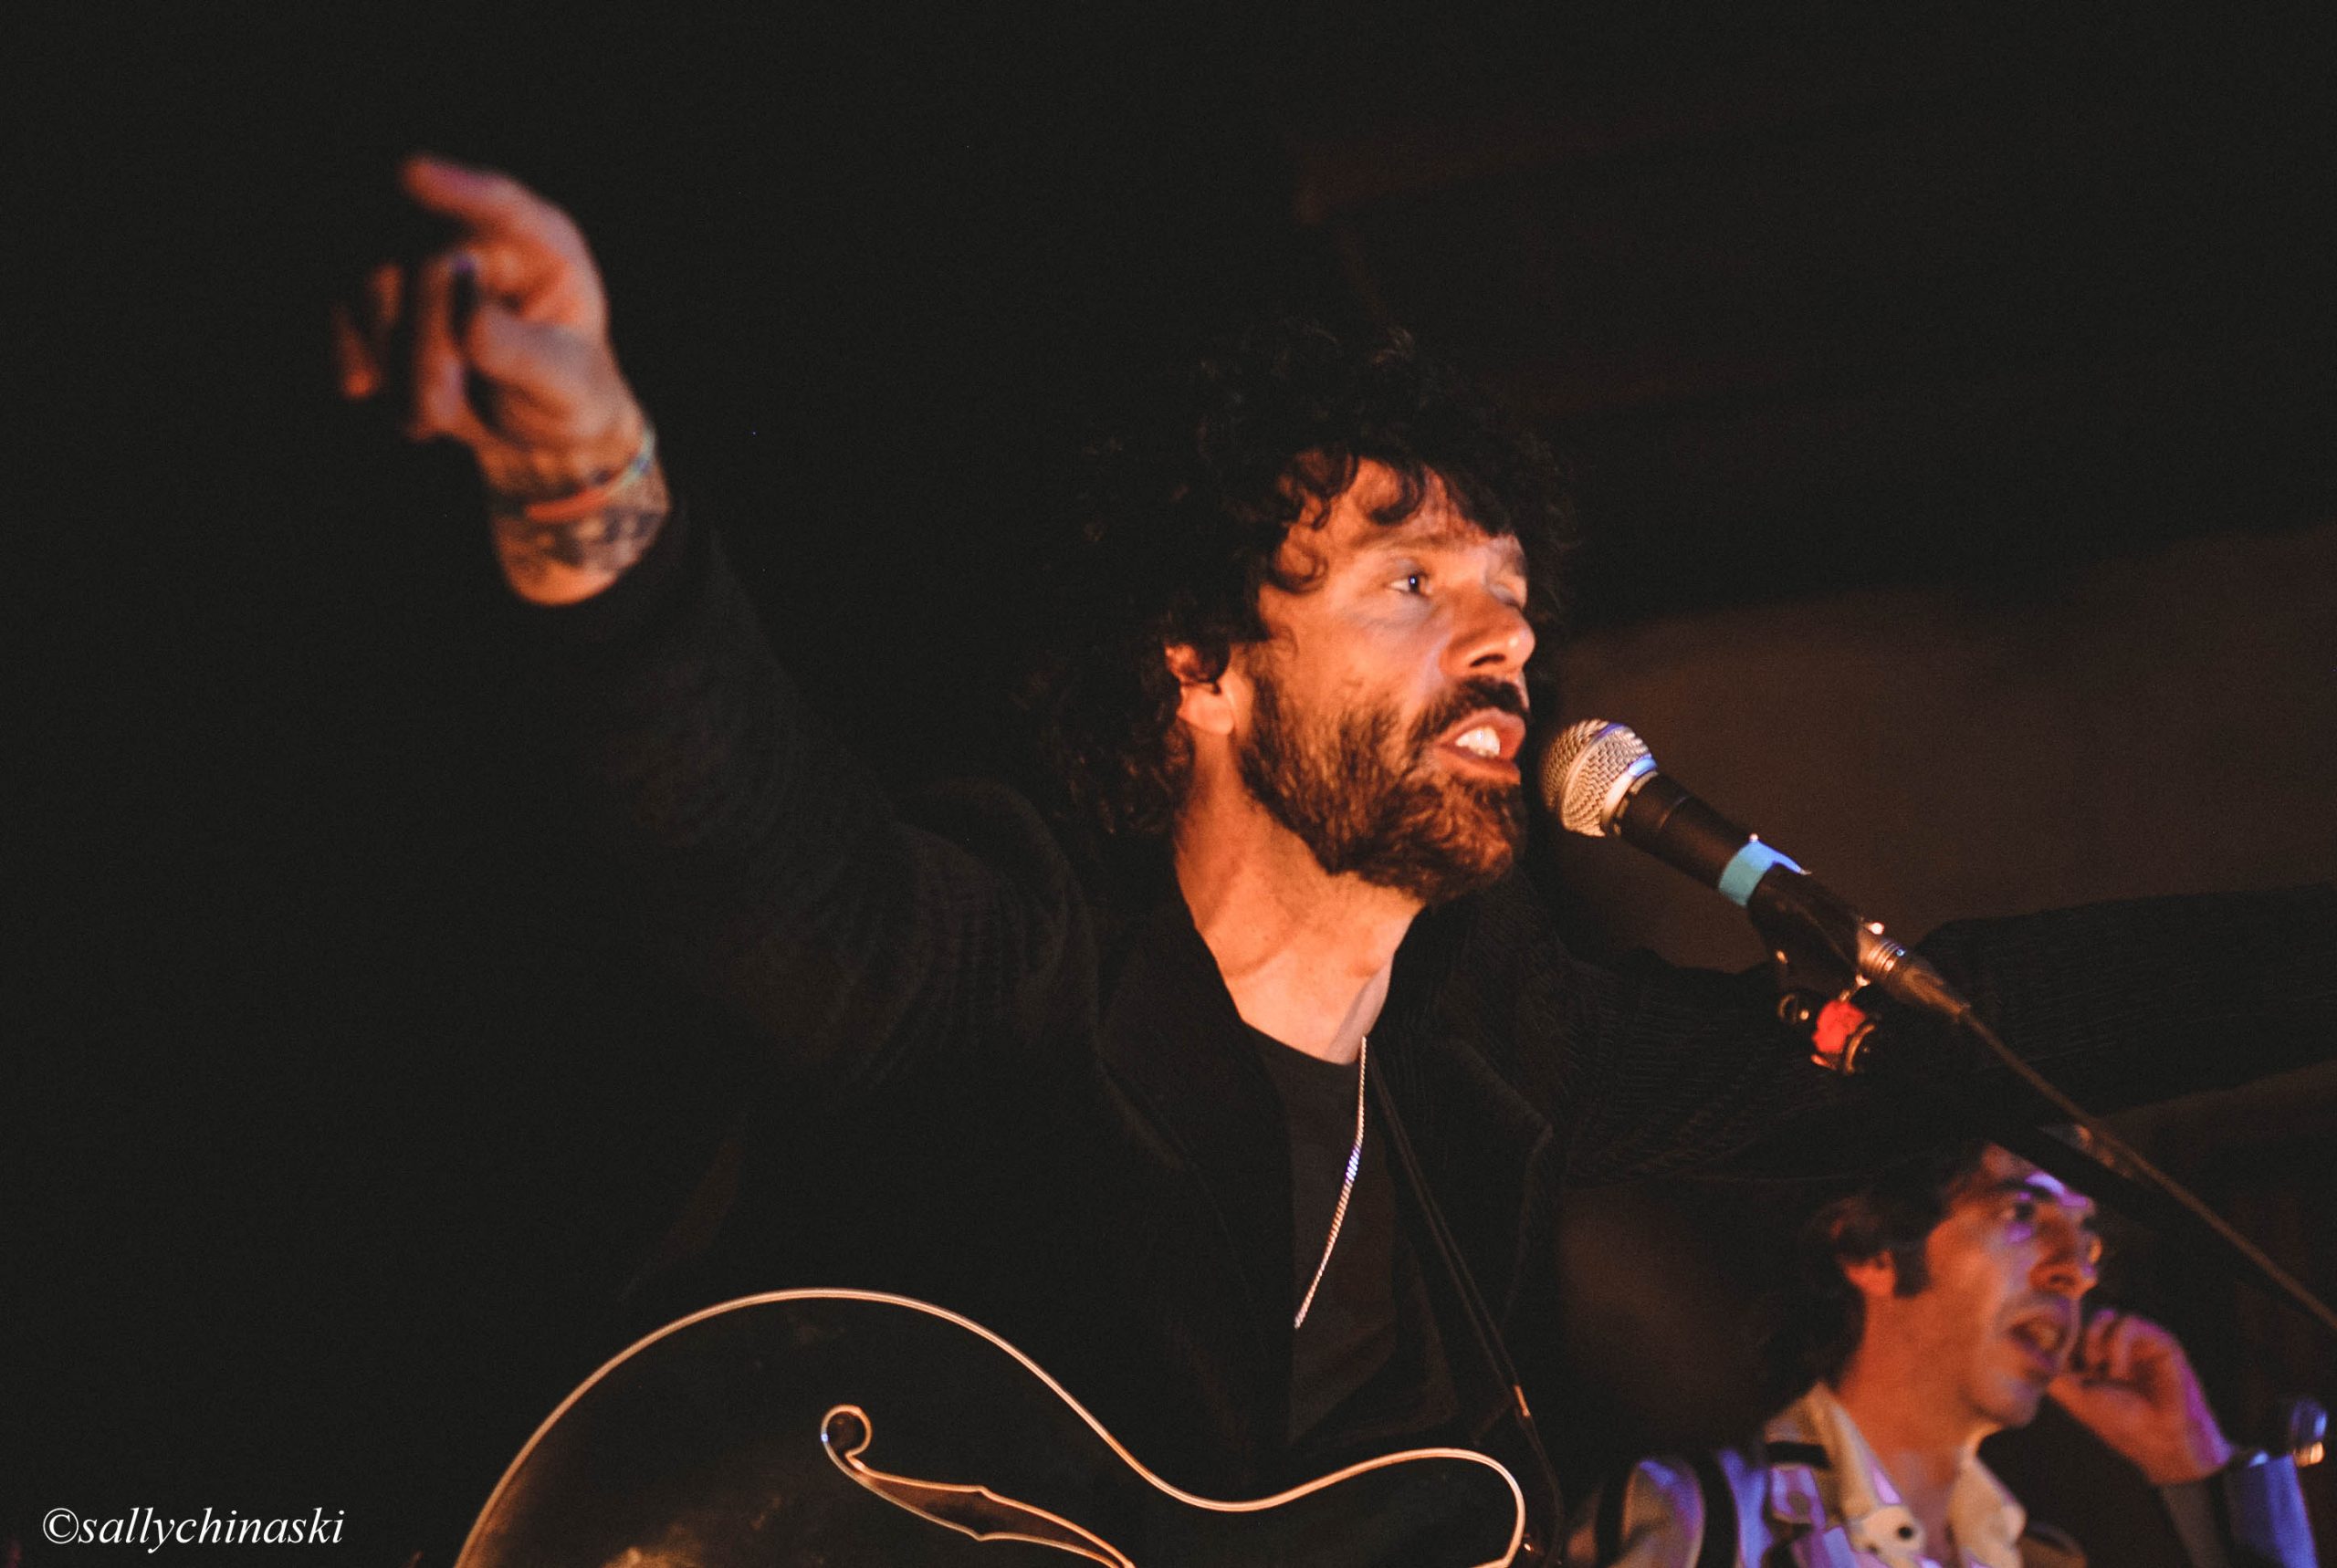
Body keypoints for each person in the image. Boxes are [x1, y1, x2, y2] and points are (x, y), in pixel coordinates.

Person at [334, 154, 2337, 1547]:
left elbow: (1960, 1028)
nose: (1503, 642)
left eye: (1514, 601)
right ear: (1205, 669)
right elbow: (757, 857)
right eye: (1412, 581)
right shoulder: (1029, 956)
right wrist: (592, 495)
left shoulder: (1496, 1054)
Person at [1564, 1145, 2318, 1568]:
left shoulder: (2040, 1560)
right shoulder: (1705, 1521)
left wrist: (2195, 1461)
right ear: (1871, 1251)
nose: (2076, 1270)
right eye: (2023, 1212)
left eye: (2086, 1239)